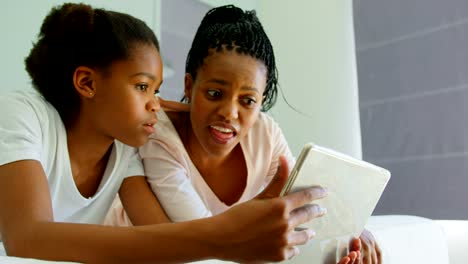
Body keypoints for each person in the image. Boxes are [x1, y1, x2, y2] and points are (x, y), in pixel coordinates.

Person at [0, 3, 331, 263]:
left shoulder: (124, 151)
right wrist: (226, 237)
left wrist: (204, 110)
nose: (156, 103)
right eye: (143, 86)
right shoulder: (22, 116)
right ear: (87, 83)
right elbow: (26, 239)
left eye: (157, 90)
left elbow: (164, 238)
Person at [105, 5, 380, 264]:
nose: (229, 113)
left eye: (247, 101)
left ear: (261, 102)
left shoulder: (266, 133)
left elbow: (307, 200)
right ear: (189, 86)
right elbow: (206, 240)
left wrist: (351, 230)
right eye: (214, 94)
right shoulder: (161, 138)